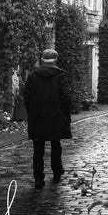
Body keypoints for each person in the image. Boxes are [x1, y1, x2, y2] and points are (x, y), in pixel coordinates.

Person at [24, 48, 72, 189]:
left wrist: (31, 112)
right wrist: (65, 114)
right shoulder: (60, 76)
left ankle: (38, 178)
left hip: (38, 117)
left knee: (38, 148)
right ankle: (57, 171)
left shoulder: (33, 76)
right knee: (56, 144)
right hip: (56, 116)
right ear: (55, 60)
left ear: (42, 60)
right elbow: (66, 97)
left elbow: (27, 96)